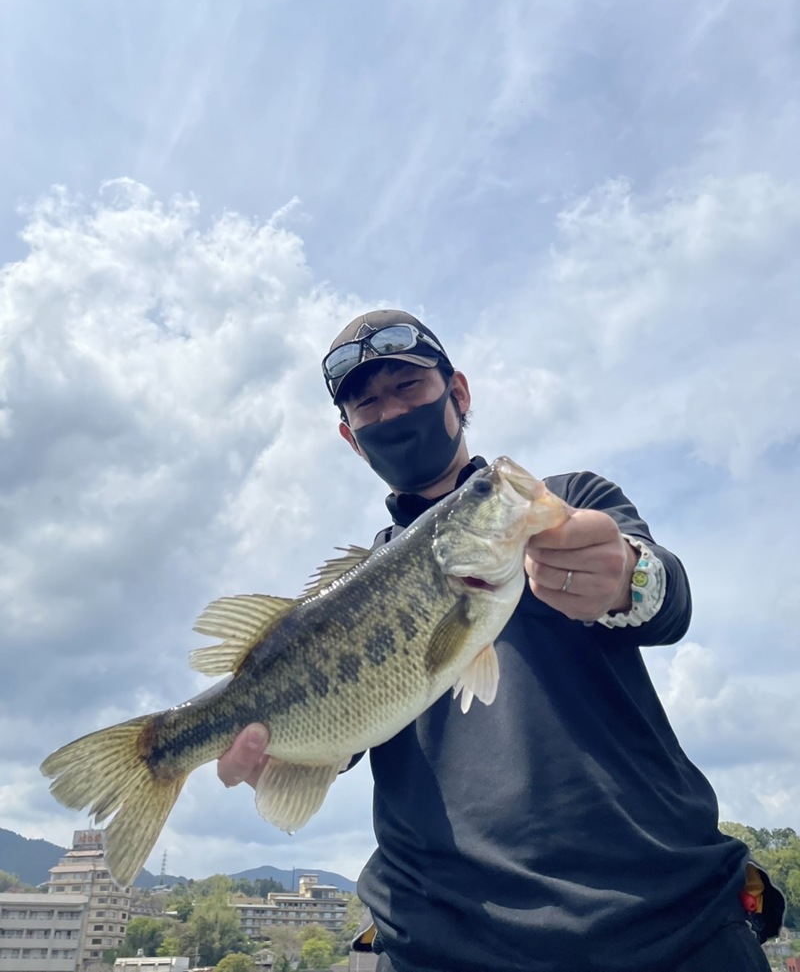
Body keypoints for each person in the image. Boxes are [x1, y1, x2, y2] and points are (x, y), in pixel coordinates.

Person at [217, 310, 782, 972]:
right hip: (438, 946)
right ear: (351, 438)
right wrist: (274, 752)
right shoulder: (347, 599)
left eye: (408, 385)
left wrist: (630, 573)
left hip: (664, 927)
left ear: (459, 392)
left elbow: (665, 599)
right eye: (367, 403)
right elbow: (340, 733)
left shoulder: (567, 506)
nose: (391, 410)